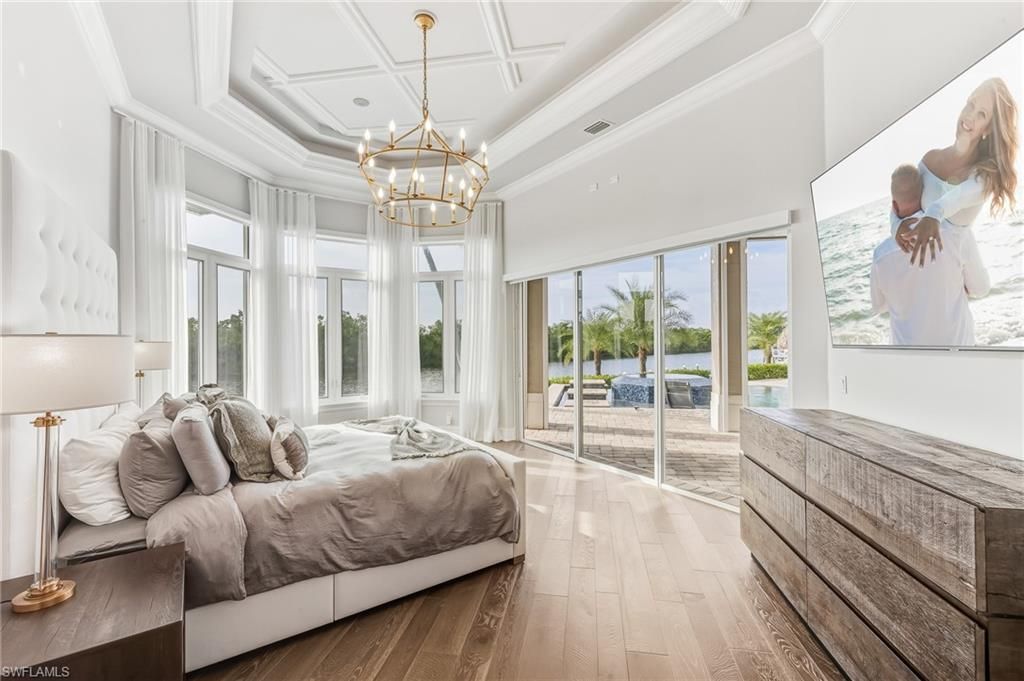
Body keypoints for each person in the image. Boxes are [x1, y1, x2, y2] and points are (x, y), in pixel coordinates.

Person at [892, 77, 1019, 266]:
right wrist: (895, 227)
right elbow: (900, 199)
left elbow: (958, 197)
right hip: (929, 270)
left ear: (988, 130)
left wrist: (934, 213)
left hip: (962, 271)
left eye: (982, 114)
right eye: (971, 104)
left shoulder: (985, 176)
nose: (970, 116)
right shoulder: (929, 160)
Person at [872, 164, 991, 346]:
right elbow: (981, 288)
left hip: (907, 358)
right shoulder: (956, 231)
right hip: (959, 354)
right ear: (925, 194)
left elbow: (879, 307)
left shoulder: (880, 256)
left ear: (894, 205)